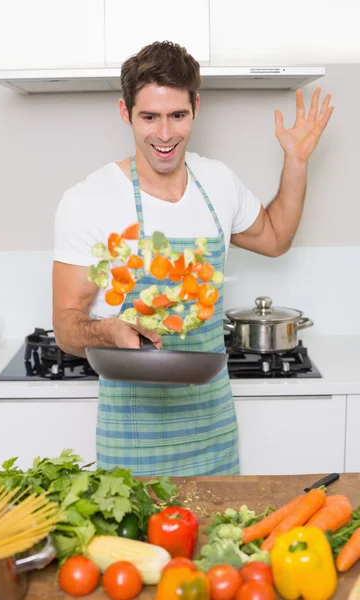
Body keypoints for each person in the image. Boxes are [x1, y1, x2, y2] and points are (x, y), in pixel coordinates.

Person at [52, 41, 334, 477]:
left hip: (212, 428)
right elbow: (68, 328)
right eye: (149, 117)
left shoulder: (217, 183)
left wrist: (295, 161)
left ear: (195, 108)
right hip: (134, 439)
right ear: (126, 113)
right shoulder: (89, 201)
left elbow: (276, 238)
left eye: (177, 116)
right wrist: (107, 329)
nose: (164, 135)